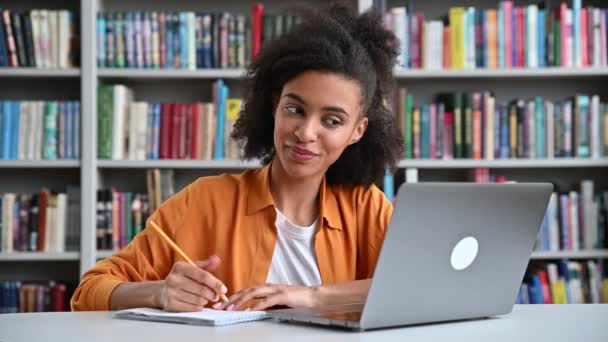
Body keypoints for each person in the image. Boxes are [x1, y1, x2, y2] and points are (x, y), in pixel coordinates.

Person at [71, 2, 403, 312]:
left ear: (357, 131)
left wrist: (312, 295)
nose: (306, 132)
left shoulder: (366, 209)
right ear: (274, 106)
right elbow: (89, 292)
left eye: (332, 120)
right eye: (295, 109)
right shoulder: (204, 201)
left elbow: (417, 289)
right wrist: (158, 293)